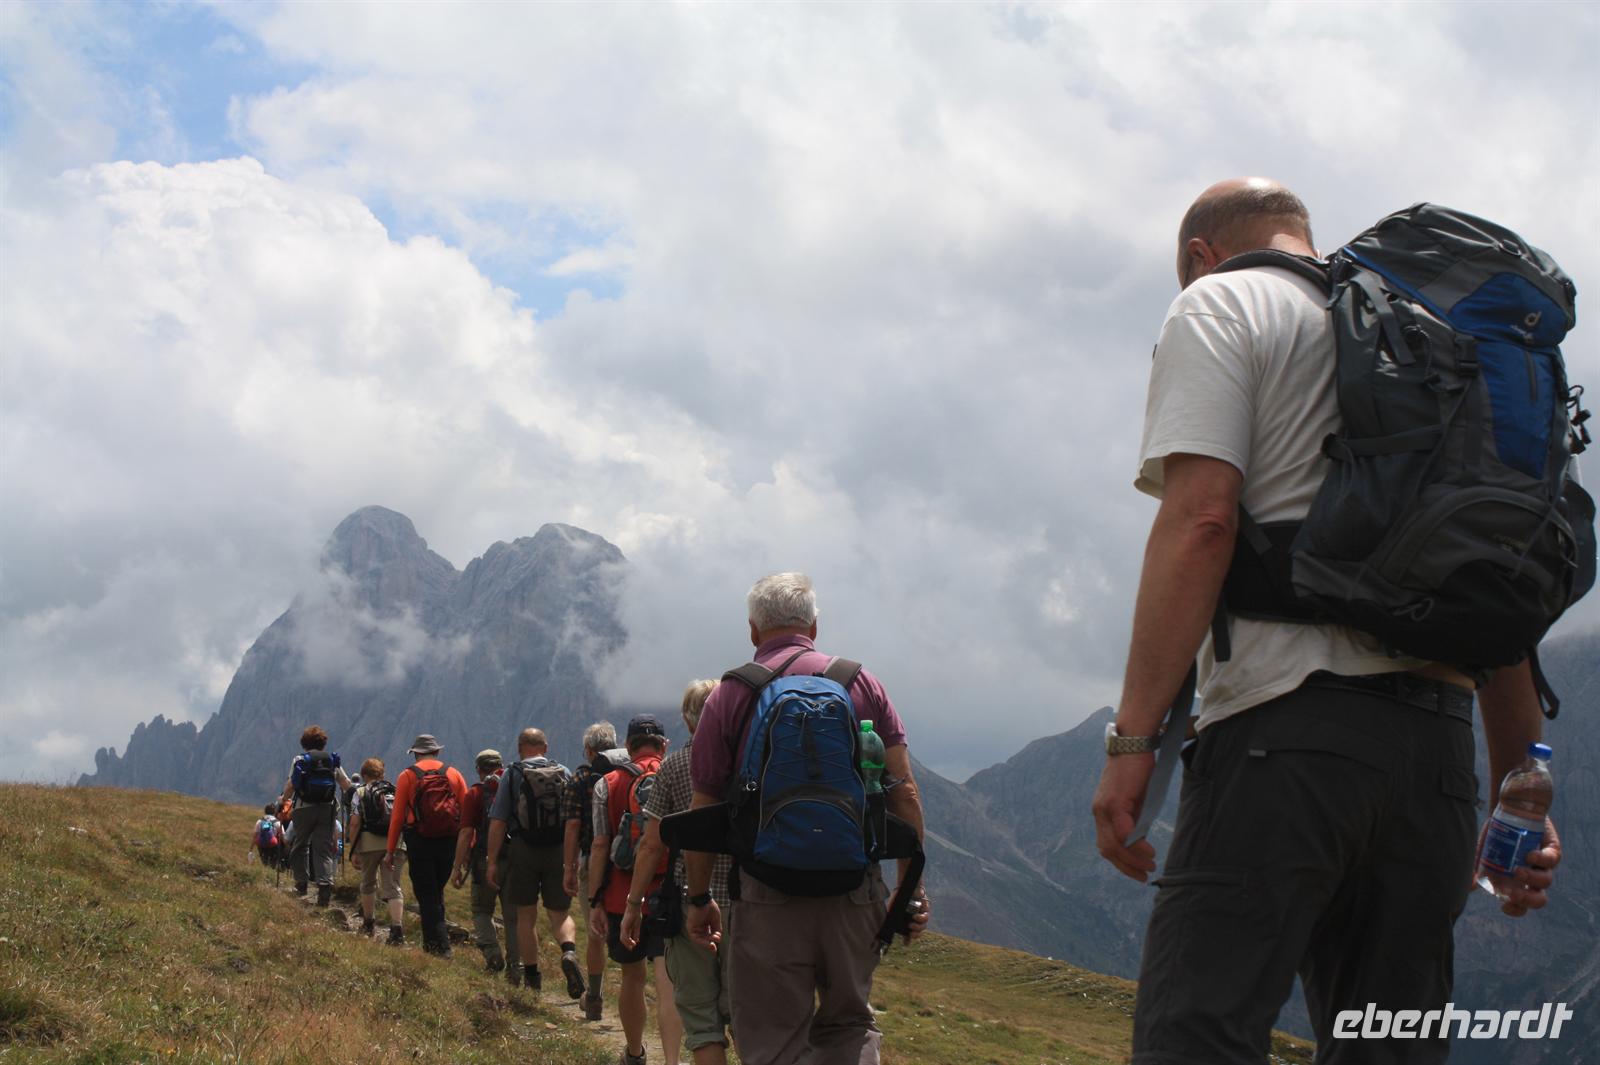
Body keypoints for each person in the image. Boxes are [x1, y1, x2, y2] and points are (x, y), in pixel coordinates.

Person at [1091, 178, 1564, 1064]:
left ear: (1198, 257)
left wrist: (1131, 743)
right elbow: (1491, 580)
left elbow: (1202, 520)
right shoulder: (1428, 340)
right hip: (1437, 763)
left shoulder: (1224, 301)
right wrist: (1517, 794)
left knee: (1196, 1035)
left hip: (1285, 736)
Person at [684, 573, 929, 1065]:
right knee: (851, 1024)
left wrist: (698, 897)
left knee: (773, 1038)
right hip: (855, 890)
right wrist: (910, 890)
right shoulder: (862, 683)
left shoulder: (730, 695)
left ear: (753, 630)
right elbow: (904, 793)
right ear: (814, 626)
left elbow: (704, 806)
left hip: (766, 894)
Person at [621, 680, 729, 1065]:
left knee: (702, 1022)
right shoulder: (748, 761)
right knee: (750, 1017)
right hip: (748, 904)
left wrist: (634, 905)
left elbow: (652, 844)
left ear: (687, 718)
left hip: (691, 904)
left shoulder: (675, 766)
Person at [591, 715, 682, 1065]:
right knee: (667, 981)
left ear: (627, 747)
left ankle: (634, 1053)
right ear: (664, 744)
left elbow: (600, 845)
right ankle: (673, 1060)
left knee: (631, 975)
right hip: (668, 893)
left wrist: (594, 898)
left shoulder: (608, 783)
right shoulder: (674, 777)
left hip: (620, 893)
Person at [486, 728, 582, 997]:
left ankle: (532, 979)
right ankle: (569, 951)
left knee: (525, 916)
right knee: (560, 914)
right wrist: (573, 861)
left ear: (519, 747)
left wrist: (492, 861)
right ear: (545, 746)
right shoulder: (563, 771)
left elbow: (498, 821)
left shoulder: (512, 774)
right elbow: (575, 819)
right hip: (558, 849)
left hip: (523, 849)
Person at [385, 734, 467, 957]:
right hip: (449, 840)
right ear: (437, 752)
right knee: (436, 891)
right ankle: (434, 943)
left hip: (419, 841)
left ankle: (439, 948)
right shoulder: (454, 773)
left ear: (416, 753)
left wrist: (390, 851)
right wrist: (468, 846)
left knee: (427, 894)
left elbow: (397, 818)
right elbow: (467, 814)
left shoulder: (407, 776)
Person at [563, 721, 624, 1021]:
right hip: (630, 863)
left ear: (588, 750)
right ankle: (631, 990)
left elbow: (573, 825)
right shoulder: (630, 773)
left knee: (596, 933)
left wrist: (569, 867)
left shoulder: (581, 777)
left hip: (592, 860)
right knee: (629, 929)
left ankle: (596, 998)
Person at [452, 749, 521, 982]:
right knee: (513, 916)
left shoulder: (474, 793)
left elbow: (465, 832)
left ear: (479, 770)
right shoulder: (515, 791)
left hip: (484, 859)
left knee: (482, 910)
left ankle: (492, 954)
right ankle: (515, 967)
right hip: (514, 859)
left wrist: (457, 866)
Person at [277, 725, 353, 906]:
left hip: (304, 808)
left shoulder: (300, 759)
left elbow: (291, 785)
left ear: (304, 743)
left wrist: (282, 802)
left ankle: (301, 884)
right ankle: (325, 888)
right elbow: (345, 783)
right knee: (323, 848)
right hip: (327, 809)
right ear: (323, 743)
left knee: (300, 845)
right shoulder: (331, 760)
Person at [347, 757, 406, 944]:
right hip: (395, 843)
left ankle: (368, 923)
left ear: (364, 775)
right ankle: (397, 930)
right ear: (382, 774)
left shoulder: (360, 792)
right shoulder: (395, 791)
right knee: (393, 886)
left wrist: (353, 849)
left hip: (369, 843)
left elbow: (355, 822)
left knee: (368, 882)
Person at [249, 803, 284, 870]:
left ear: (265, 811)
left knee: (265, 862)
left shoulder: (259, 822)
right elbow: (283, 836)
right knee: (273, 863)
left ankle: (266, 871)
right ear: (274, 812)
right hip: (273, 845)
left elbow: (255, 836)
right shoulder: (277, 822)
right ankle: (271, 872)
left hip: (262, 845)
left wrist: (251, 849)